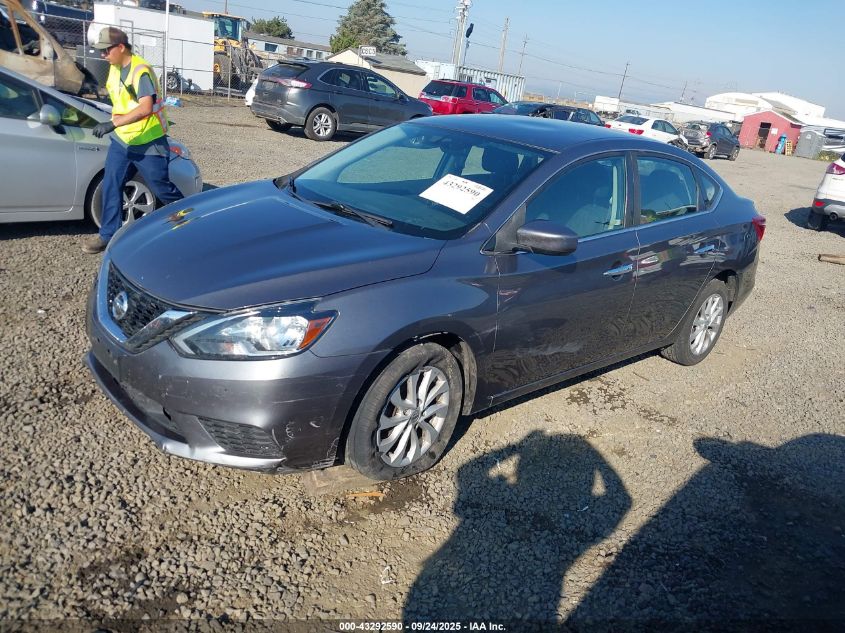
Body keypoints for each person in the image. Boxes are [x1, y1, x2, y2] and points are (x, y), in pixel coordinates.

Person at [82, 26, 183, 254]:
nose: (103, 55)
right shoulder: (115, 67)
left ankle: (190, 225)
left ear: (120, 47)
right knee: (111, 184)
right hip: (123, 141)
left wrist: (112, 124)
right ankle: (108, 235)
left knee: (163, 189)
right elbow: (119, 99)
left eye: (106, 50)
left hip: (148, 142)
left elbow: (146, 107)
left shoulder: (140, 71)